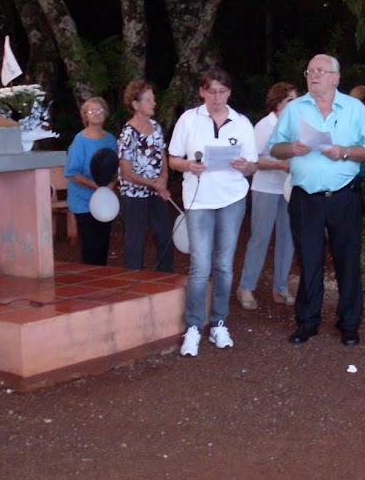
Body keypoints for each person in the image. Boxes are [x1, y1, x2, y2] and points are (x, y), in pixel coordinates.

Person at [268, 54, 365, 346]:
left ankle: (349, 324)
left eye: (321, 71)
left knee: (347, 261)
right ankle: (307, 322)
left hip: (344, 195)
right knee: (309, 261)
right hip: (306, 197)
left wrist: (344, 151)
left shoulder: (355, 109)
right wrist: (291, 147)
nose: (314, 75)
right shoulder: (294, 109)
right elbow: (275, 149)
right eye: (310, 71)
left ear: (336, 77)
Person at [168, 68, 257, 357]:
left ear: (229, 92)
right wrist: (187, 166)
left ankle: (219, 322)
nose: (217, 97)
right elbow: (172, 159)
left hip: (232, 197)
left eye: (222, 91)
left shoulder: (242, 123)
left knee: (224, 264)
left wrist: (246, 166)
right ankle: (193, 326)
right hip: (199, 198)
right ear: (202, 92)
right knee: (200, 265)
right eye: (211, 91)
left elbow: (254, 164)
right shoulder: (189, 119)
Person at [236, 82, 298, 310]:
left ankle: (280, 288)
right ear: (278, 101)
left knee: (288, 237)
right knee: (260, 238)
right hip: (265, 188)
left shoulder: (295, 125)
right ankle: (245, 287)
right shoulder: (264, 125)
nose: (296, 103)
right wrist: (282, 165)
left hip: (289, 188)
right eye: (291, 99)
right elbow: (253, 160)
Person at [117, 80, 174, 272]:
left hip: (156, 191)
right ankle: (133, 283)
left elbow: (162, 154)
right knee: (135, 239)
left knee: (164, 235)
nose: (154, 103)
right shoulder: (128, 134)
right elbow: (126, 173)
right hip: (134, 196)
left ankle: (164, 279)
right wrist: (152, 183)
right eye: (149, 100)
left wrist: (164, 177)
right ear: (136, 105)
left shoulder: (156, 127)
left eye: (153, 99)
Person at [65, 96, 118, 266]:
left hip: (104, 200)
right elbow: (72, 172)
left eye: (100, 110)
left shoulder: (110, 139)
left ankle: (102, 279)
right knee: (91, 244)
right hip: (84, 200)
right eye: (92, 111)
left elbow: (116, 166)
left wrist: (111, 184)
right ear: (85, 116)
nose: (96, 114)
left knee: (103, 242)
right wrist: (96, 187)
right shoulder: (80, 140)